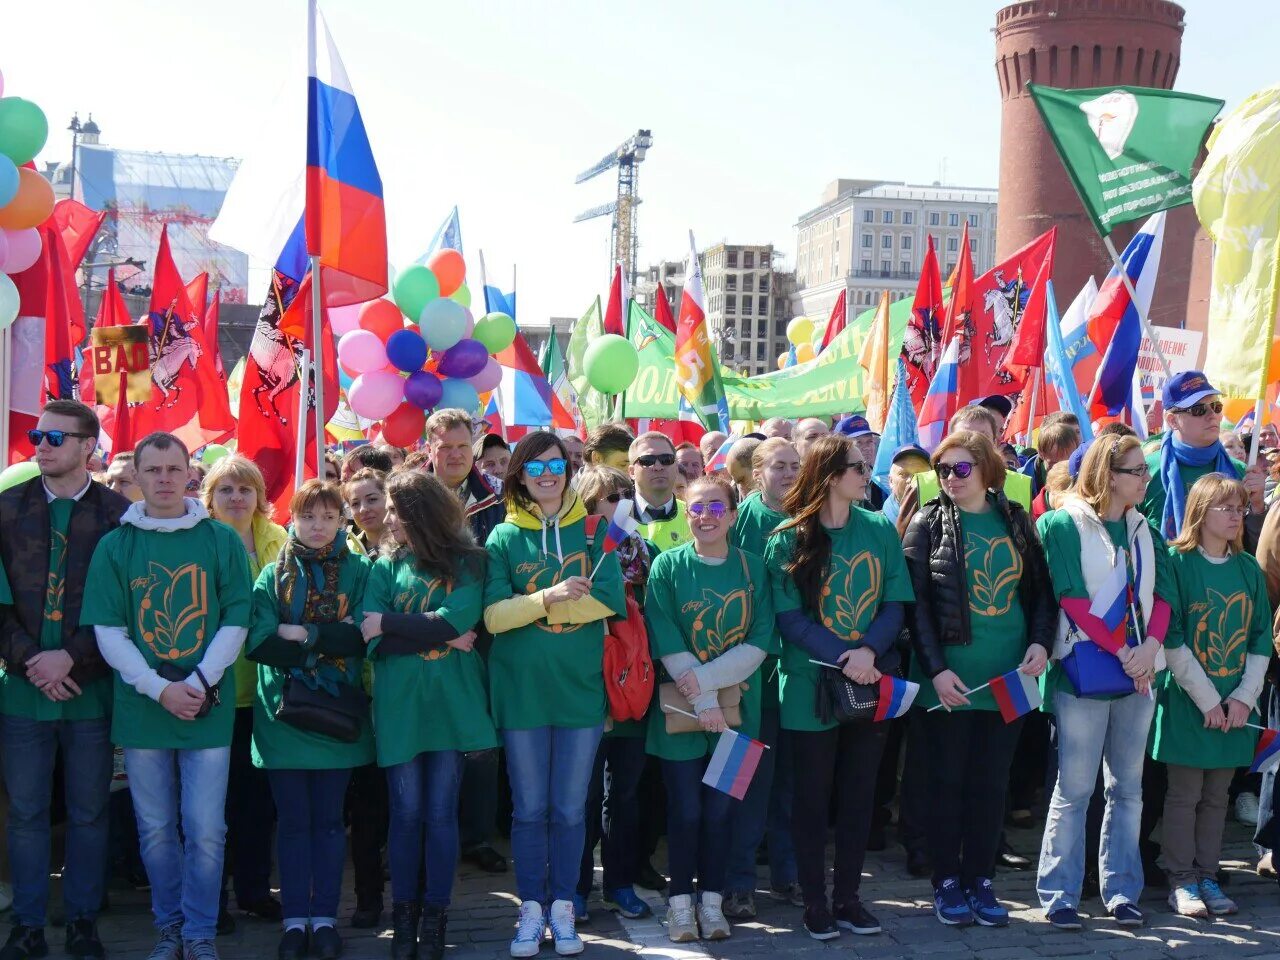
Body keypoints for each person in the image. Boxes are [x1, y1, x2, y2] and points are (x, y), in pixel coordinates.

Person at [83, 431, 254, 960]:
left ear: (189, 474)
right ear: (137, 476)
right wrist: (160, 689)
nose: (162, 479)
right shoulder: (116, 545)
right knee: (155, 829)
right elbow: (108, 630)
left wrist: (199, 683)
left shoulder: (220, 540)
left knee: (206, 828)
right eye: (151, 470)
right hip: (144, 709)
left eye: (172, 469)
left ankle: (200, 932)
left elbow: (237, 617)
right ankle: (169, 928)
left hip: (205, 706)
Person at [763, 434, 913, 940]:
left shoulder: (879, 529)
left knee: (858, 796)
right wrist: (845, 658)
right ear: (829, 475)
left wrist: (868, 652)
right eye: (855, 466)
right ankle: (814, 902)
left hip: (868, 680)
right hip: (809, 685)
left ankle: (849, 898)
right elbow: (788, 617)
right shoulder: (788, 538)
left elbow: (895, 602)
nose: (865, 472)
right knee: (810, 800)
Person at [903, 431, 1054, 928]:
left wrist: (1040, 641)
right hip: (948, 680)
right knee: (946, 782)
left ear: (987, 469)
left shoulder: (1014, 518)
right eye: (943, 469)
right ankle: (946, 881)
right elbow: (916, 607)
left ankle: (980, 880)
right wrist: (936, 670)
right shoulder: (927, 522)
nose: (949, 478)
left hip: (1009, 675)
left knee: (992, 785)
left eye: (960, 469)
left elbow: (1039, 593)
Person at [483, 433, 624, 957]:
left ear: (568, 470)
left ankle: (564, 905)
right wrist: (552, 596)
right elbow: (494, 617)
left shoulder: (594, 530)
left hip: (580, 692)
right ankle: (531, 908)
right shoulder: (501, 538)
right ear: (518, 475)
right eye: (535, 466)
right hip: (521, 694)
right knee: (529, 810)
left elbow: (610, 601)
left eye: (555, 464)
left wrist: (535, 608)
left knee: (568, 810)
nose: (547, 474)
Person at [0, 400, 130, 960]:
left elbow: (128, 608)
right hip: (23, 693)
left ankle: (82, 920)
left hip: (90, 693)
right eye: (37, 435)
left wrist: (70, 660)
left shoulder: (120, 516)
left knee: (89, 812)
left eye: (55, 437)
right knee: (26, 814)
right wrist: (35, 659)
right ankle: (28, 924)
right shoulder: (5, 509)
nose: (42, 444)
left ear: (87, 447)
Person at [1035, 434, 1174, 931]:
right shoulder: (1061, 524)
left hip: (1138, 672)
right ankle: (1058, 893)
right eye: (1136, 470)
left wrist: (1150, 650)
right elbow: (1071, 598)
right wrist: (1124, 653)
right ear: (1108, 475)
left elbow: (1164, 600)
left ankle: (1121, 890)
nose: (1145, 478)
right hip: (1086, 670)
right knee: (1074, 789)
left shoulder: (1145, 529)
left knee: (1129, 789)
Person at [361, 470, 496, 960]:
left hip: (450, 708)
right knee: (406, 814)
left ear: (422, 514)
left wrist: (398, 625)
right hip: (400, 708)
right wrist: (438, 631)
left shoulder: (469, 563)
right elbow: (369, 634)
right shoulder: (383, 567)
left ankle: (435, 915)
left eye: (397, 511)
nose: (387, 519)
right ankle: (404, 916)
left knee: (440, 814)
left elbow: (456, 618)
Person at [246, 480, 374, 960]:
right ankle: (294, 920)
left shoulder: (361, 570)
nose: (317, 527)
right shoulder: (271, 576)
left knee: (328, 823)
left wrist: (303, 632)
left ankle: (325, 919)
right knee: (294, 823)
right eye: (308, 516)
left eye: (328, 517)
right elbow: (258, 642)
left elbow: (360, 635)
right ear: (292, 518)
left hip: (338, 714)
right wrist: (324, 640)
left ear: (343, 521)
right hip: (284, 717)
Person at [644, 476, 775, 942]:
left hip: (742, 716)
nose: (706, 517)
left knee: (722, 813)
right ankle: (681, 906)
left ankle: (714, 904)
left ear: (734, 515)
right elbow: (665, 638)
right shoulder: (666, 567)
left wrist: (713, 696)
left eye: (717, 507)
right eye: (697, 508)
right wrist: (704, 704)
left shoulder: (753, 568)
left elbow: (761, 640)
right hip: (680, 718)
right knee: (686, 812)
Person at [1155, 474, 1272, 919]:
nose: (1236, 515)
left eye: (1240, 508)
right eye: (1226, 507)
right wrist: (1208, 700)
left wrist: (1243, 698)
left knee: (1218, 796)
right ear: (1200, 511)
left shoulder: (1246, 568)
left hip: (1235, 703)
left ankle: (1207, 873)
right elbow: (1172, 635)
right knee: (1184, 794)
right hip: (1190, 700)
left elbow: (1261, 637)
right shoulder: (1176, 562)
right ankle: (1181, 879)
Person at [202, 456, 288, 929]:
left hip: (267, 693)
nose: (236, 497)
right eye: (226, 489)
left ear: (259, 496)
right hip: (213, 693)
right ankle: (210, 898)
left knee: (258, 803)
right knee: (210, 807)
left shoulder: (282, 542)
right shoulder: (197, 541)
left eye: (245, 488)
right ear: (210, 499)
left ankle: (254, 891)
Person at [425, 408, 508, 875]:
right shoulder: (410, 494)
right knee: (428, 732)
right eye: (445, 447)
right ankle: (427, 831)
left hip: (479, 637)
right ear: (429, 448)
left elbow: (498, 568)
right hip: (423, 633)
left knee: (479, 741)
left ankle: (475, 836)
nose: (455, 456)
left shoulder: (494, 499)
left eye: (462, 447)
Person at [723, 438, 802, 920]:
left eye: (796, 465)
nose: (790, 473)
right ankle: (736, 881)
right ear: (756, 473)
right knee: (743, 776)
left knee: (789, 777)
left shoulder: (808, 514)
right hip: (750, 668)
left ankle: (787, 870)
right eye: (779, 466)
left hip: (796, 668)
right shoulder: (747, 519)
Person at [572, 466, 655, 922]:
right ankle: (578, 886)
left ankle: (619, 883)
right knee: (582, 796)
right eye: (610, 495)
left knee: (623, 794)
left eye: (626, 493)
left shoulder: (646, 550)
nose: (621, 501)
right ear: (589, 504)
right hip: (587, 691)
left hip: (632, 692)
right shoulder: (579, 552)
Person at [1141, 371, 1265, 543]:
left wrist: (1258, 507)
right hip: (1164, 569)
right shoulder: (1144, 469)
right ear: (1172, 420)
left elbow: (1253, 550)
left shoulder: (1240, 471)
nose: (1212, 415)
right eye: (1198, 409)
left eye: (1216, 407)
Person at [630, 432, 692, 552]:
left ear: (676, 467)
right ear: (632, 472)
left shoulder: (694, 515)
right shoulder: (615, 516)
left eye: (666, 459)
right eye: (647, 461)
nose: (658, 467)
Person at [884, 445, 930, 526]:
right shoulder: (876, 524)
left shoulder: (948, 517)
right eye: (903, 474)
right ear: (890, 481)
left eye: (919, 473)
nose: (912, 480)